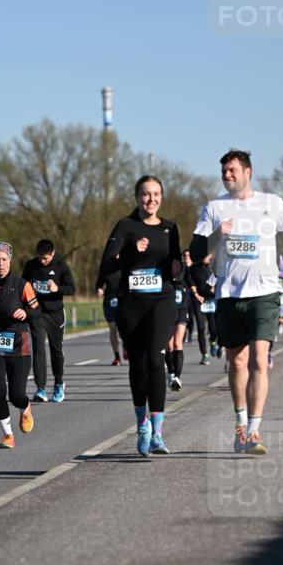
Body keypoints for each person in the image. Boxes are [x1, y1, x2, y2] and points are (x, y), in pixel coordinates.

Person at [189, 149, 283, 456]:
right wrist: (217, 234)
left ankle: (253, 430)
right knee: (237, 362)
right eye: (224, 171)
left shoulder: (271, 203)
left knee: (259, 361)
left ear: (248, 172)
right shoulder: (214, 208)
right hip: (229, 295)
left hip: (265, 292)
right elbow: (196, 251)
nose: (227, 175)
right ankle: (240, 424)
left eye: (232, 170)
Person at [100, 175, 181, 457]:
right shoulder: (126, 226)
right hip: (131, 304)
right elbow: (107, 264)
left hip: (162, 300)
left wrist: (179, 267)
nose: (152, 200)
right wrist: (131, 253)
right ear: (137, 197)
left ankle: (158, 432)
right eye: (146, 194)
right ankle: (142, 424)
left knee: (156, 359)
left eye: (156, 194)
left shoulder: (170, 228)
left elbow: (176, 268)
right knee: (139, 365)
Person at [0, 241, 39, 447]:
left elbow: (37, 311)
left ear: (10, 261)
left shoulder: (22, 285)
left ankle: (25, 407)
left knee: (16, 394)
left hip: (19, 342)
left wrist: (25, 312)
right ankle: (8, 434)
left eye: (3, 259)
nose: (0, 263)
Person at [22, 239, 75, 403]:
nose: (42, 261)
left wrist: (57, 289)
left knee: (56, 349)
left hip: (55, 313)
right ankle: (40, 389)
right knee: (38, 349)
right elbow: (23, 286)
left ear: (52, 254)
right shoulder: (31, 266)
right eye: (39, 257)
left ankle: (59, 383)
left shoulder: (61, 266)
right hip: (37, 313)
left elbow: (72, 289)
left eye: (45, 258)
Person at [166, 250, 191, 390]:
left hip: (181, 309)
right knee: (168, 346)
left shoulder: (185, 271)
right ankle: (170, 372)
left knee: (177, 343)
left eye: (177, 263)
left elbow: (193, 283)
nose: (175, 266)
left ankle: (177, 378)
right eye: (172, 263)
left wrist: (197, 293)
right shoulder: (165, 275)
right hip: (168, 312)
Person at [188, 252, 219, 364]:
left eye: (207, 255)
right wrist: (196, 294)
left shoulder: (213, 268)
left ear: (210, 256)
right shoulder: (193, 268)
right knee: (201, 327)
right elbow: (190, 281)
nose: (205, 257)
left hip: (210, 300)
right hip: (198, 300)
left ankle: (213, 342)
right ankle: (204, 354)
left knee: (213, 328)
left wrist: (215, 290)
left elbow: (218, 280)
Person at [95, 260, 125, 365]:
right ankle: (117, 357)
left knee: (123, 330)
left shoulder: (125, 266)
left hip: (122, 301)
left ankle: (126, 347)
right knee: (113, 329)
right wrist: (99, 290)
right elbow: (99, 285)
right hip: (109, 302)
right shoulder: (105, 269)